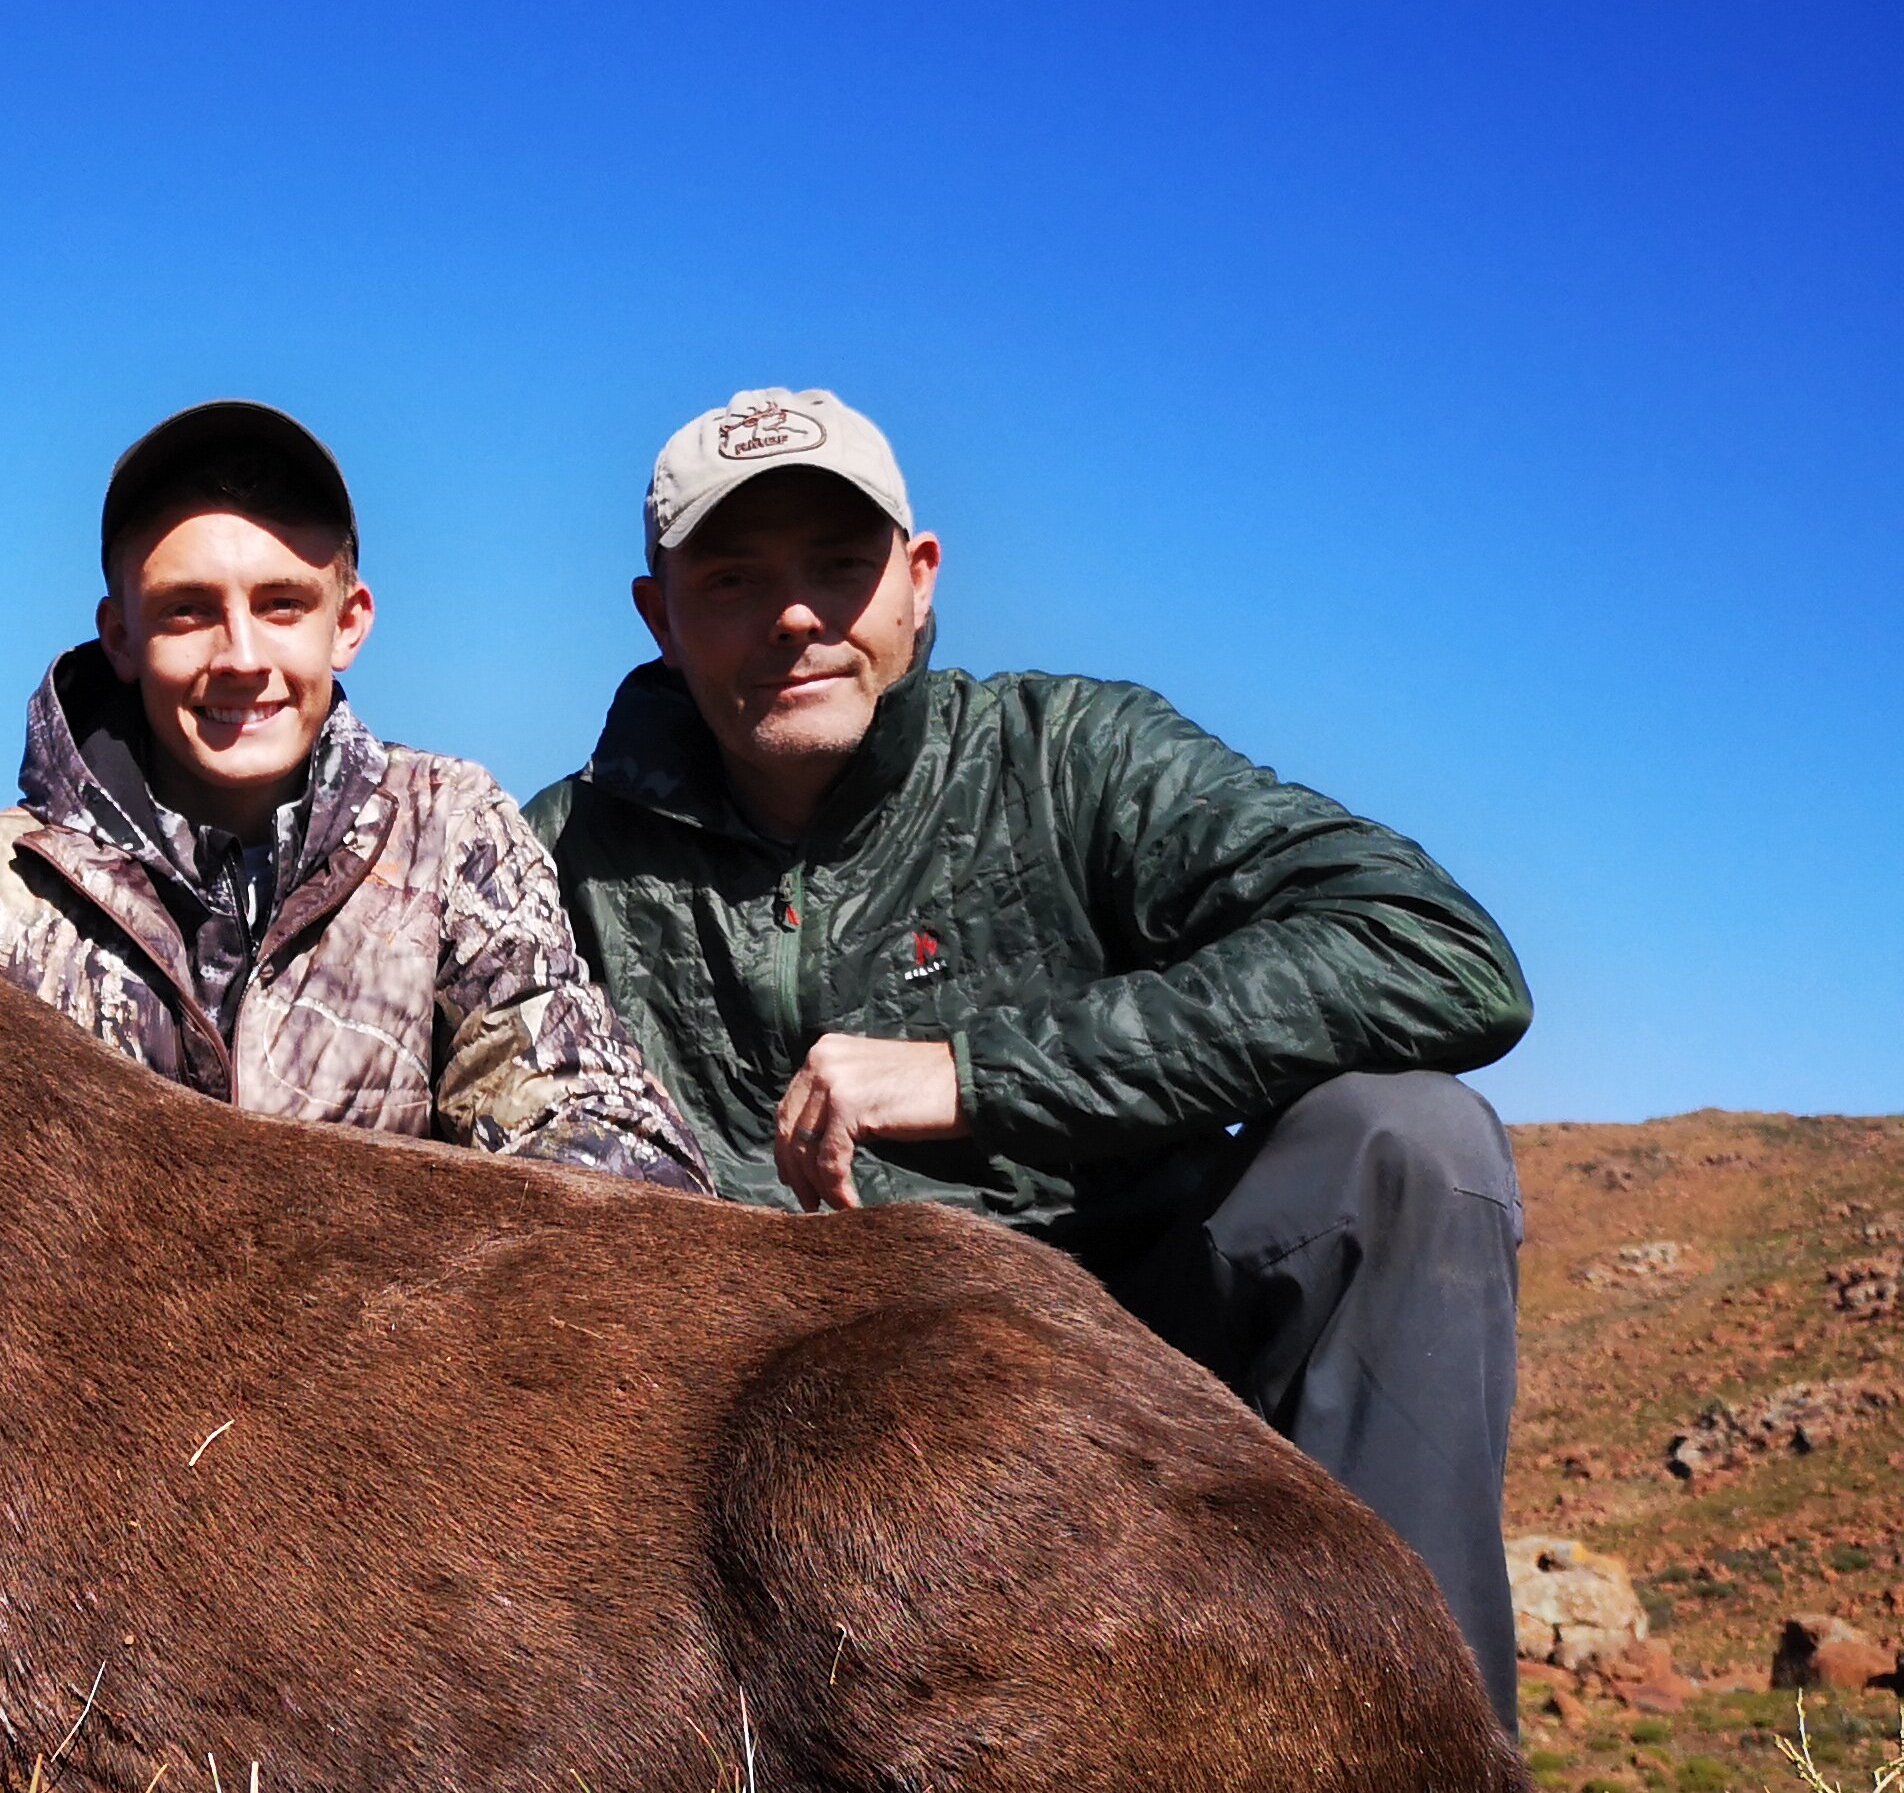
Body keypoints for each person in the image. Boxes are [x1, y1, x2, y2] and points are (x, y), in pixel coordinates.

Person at [526, 388, 1537, 1721]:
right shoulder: (550, 858)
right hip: (757, 1453)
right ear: (660, 614)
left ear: (919, 576)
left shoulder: (1074, 758)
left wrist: (973, 1074)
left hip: (1134, 1377)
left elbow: (1435, 951)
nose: (795, 616)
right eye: (733, 577)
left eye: (840, 564)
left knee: (1407, 1145)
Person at [0, 399, 708, 1189]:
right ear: (121, 636)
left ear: (349, 624)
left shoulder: (450, 826)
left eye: (282, 605)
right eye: (187, 611)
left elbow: (593, 1119)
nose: (241, 657)